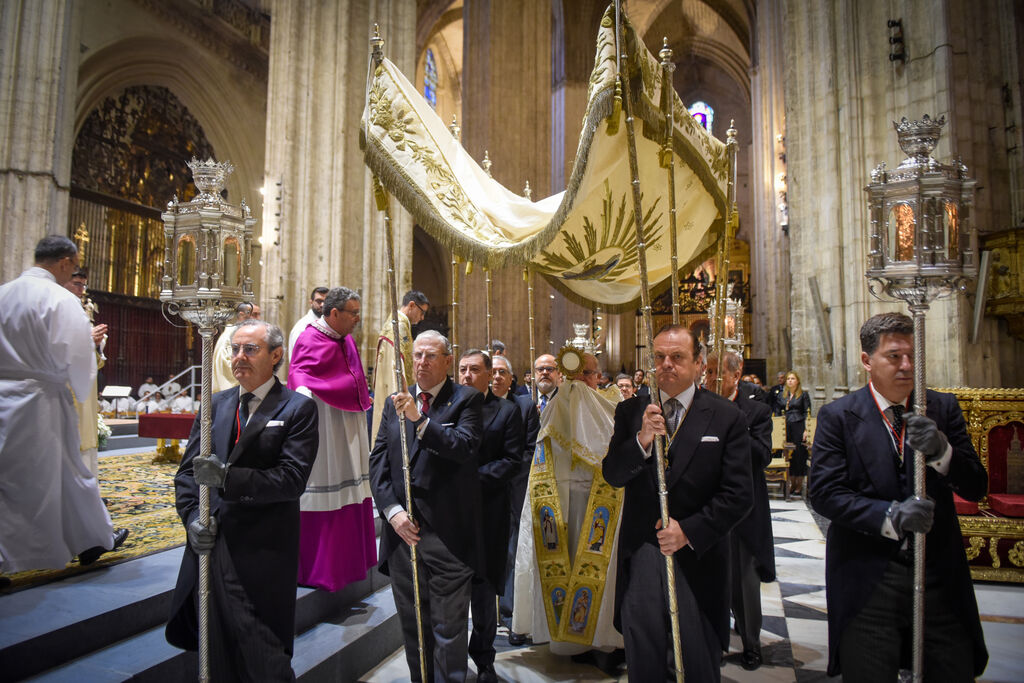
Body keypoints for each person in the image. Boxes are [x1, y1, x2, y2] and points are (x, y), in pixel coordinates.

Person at [809, 312, 988, 681]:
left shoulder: (942, 408)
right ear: (866, 361)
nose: (906, 366)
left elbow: (976, 487)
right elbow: (825, 493)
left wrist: (943, 452)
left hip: (938, 573)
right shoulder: (839, 416)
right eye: (894, 356)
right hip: (869, 575)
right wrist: (889, 516)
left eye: (911, 355)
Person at [165, 319, 319, 681]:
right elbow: (187, 474)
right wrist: (191, 519)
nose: (239, 357)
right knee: (214, 652)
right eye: (235, 349)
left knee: (263, 655)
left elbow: (292, 480)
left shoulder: (297, 409)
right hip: (210, 546)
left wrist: (228, 479)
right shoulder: (215, 405)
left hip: (260, 551)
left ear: (276, 355)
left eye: (250, 349)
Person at [602, 325, 752, 682]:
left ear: (699, 364)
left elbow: (738, 494)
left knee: (696, 656)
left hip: (697, 555)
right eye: (659, 357)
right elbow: (612, 474)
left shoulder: (725, 416)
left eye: (677, 357)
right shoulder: (631, 411)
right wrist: (642, 440)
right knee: (644, 653)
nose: (666, 364)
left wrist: (689, 530)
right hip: (642, 550)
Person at [0, 235, 128, 576]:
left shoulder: (3, 293)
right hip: (40, 400)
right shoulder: (58, 298)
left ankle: (92, 539)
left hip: (3, 395)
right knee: (55, 473)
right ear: (65, 263)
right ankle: (24, 555)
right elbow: (77, 357)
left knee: (56, 473)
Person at [369, 330, 483, 682]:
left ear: (448, 360)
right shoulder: (393, 403)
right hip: (404, 536)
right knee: (414, 628)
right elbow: (377, 464)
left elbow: (463, 447)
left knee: (448, 633)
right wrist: (392, 512)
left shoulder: (467, 400)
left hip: (447, 536)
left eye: (430, 356)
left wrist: (420, 421)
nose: (421, 363)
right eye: (417, 356)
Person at [511, 350, 624, 669]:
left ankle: (594, 636)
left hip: (595, 504)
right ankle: (570, 639)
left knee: (595, 572)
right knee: (570, 568)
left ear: (598, 376)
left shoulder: (602, 404)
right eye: (579, 375)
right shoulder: (567, 402)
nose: (583, 382)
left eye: (589, 375)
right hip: (563, 507)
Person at [288, 287, 376, 592]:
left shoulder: (345, 339)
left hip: (348, 425)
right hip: (323, 427)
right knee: (326, 486)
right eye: (353, 313)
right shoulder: (310, 337)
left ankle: (349, 564)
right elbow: (299, 374)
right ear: (334, 313)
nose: (357, 319)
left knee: (351, 484)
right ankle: (321, 568)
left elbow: (353, 377)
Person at [707, 351, 775, 671]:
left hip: (743, 509)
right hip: (706, 508)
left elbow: (761, 456)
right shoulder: (698, 407)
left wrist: (730, 423)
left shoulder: (756, 411)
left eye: (717, 372)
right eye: (706, 372)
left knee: (745, 580)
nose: (710, 379)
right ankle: (712, 639)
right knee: (709, 577)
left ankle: (750, 643)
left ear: (736, 374)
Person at [457, 349, 523, 682]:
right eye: (462, 369)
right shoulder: (446, 408)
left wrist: (470, 481)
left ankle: (483, 658)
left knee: (484, 590)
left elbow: (512, 460)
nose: (466, 376)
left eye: (474, 370)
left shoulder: (506, 411)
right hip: (451, 513)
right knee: (452, 588)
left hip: (488, 512)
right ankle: (450, 658)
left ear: (488, 375)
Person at [490, 354, 540, 644]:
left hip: (514, 487)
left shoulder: (524, 406)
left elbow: (530, 449)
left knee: (511, 550)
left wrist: (504, 473)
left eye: (502, 372)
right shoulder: (477, 404)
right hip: (486, 489)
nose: (497, 377)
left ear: (511, 378)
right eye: (493, 372)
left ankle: (510, 614)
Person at [65, 266, 109, 476]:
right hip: (68, 386)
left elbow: (96, 361)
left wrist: (96, 344)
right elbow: (53, 347)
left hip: (86, 388)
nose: (81, 290)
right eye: (77, 284)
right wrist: (86, 339)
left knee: (86, 438)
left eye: (84, 285)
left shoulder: (81, 309)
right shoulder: (59, 307)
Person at [371, 290, 429, 442]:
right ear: (411, 305)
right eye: (421, 312)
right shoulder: (399, 326)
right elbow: (397, 369)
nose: (422, 318)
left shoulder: (396, 323)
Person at [211, 302, 261, 393]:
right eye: (254, 315)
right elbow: (232, 366)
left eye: (259, 315)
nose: (258, 319)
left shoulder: (237, 334)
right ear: (242, 315)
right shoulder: (233, 336)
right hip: (231, 392)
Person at [776, 370, 811, 496]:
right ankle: (789, 483)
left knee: (798, 454)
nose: (790, 380)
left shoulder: (803, 395)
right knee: (787, 454)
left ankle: (799, 483)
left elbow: (807, 412)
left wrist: (807, 429)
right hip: (786, 425)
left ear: (797, 381)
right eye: (788, 379)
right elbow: (778, 411)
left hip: (798, 425)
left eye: (792, 378)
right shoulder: (782, 395)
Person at [287, 286, 328, 356]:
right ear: (311, 302)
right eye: (319, 301)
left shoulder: (330, 324)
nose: (322, 305)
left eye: (326, 301)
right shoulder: (301, 327)